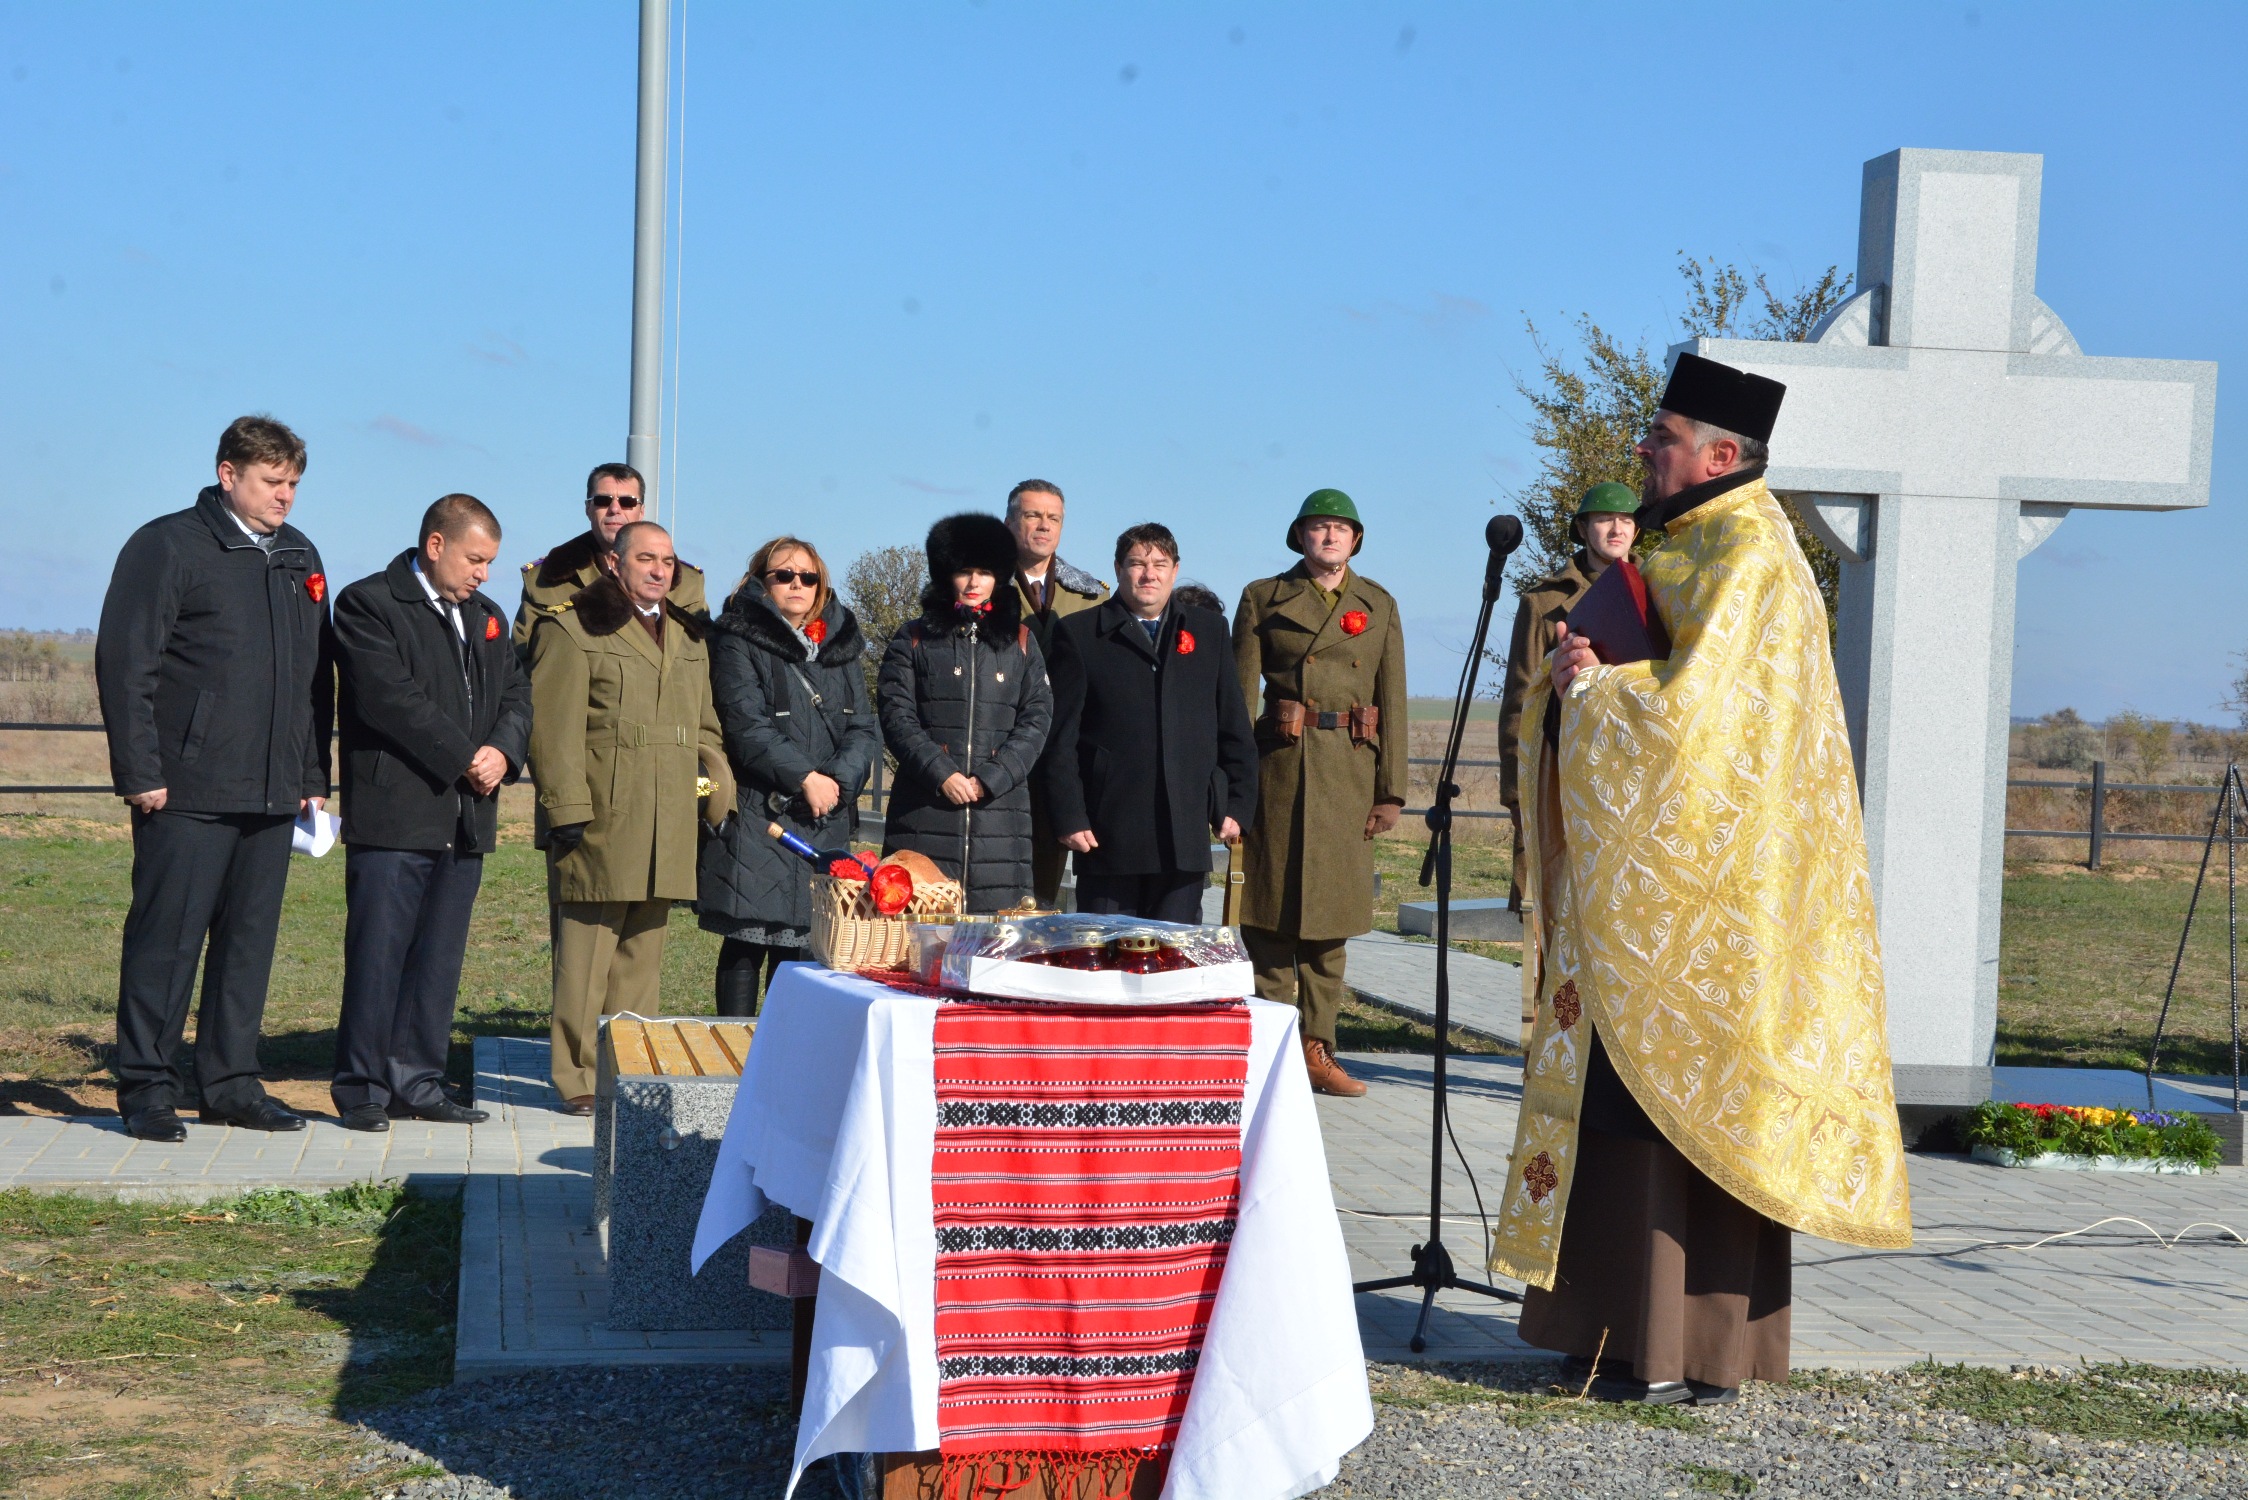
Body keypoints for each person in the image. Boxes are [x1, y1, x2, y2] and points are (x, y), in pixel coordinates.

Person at [1489, 353, 1912, 1406]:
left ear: (1720, 455)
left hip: (1718, 908)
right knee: (1621, 1105)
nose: (1644, 450)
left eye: (1663, 437)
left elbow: (1700, 733)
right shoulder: (1688, 545)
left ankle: (1689, 1348)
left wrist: (1594, 692)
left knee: (1687, 1108)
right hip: (1652, 895)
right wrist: (1577, 685)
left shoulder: (1750, 554)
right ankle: (1614, 1334)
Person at [95, 415, 332, 1141]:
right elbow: (125, 662)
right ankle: (147, 1088)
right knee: (166, 943)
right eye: (271, 481)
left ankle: (230, 1083)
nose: (284, 496)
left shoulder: (299, 555)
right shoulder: (167, 545)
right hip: (185, 790)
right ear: (228, 474)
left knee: (246, 945)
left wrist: (310, 772)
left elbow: (313, 679)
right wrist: (141, 771)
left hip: (271, 792)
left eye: (292, 483)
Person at [328, 494, 532, 1131]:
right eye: (475, 559)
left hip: (466, 818)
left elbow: (518, 694)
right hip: (395, 813)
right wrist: (466, 755)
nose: (483, 574)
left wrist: (503, 750)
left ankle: (417, 1081)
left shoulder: (489, 616)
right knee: (379, 955)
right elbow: (392, 699)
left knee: (438, 959)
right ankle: (362, 1088)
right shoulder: (369, 605)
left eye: (490, 562)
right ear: (436, 545)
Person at [528, 521, 733, 1113]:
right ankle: (577, 1077)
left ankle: (629, 1069)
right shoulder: (571, 628)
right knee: (586, 956)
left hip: (667, 813)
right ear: (614, 564)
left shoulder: (689, 636)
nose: (659, 570)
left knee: (642, 957)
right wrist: (565, 807)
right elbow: (553, 728)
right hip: (601, 812)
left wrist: (716, 788)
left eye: (667, 561)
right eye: (645, 558)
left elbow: (706, 727)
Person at [1231, 490, 1407, 1098]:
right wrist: (1231, 787)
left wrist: (1392, 791)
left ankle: (1318, 1048)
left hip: (1349, 775)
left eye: (1340, 529)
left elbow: (1395, 701)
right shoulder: (1262, 597)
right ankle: (1273, 1048)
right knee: (1271, 917)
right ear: (1298, 537)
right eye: (1317, 528)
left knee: (1331, 926)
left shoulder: (1377, 604)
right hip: (1277, 771)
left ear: (1356, 539)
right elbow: (1234, 701)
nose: (1329, 538)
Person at [697, 537, 879, 1015]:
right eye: (784, 575)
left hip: (825, 813)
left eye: (808, 576)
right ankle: (734, 1057)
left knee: (804, 943)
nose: (797, 584)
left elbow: (863, 726)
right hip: (762, 812)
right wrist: (805, 778)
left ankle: (784, 1055)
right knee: (746, 938)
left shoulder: (841, 646)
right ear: (761, 580)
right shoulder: (737, 640)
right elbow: (744, 725)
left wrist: (835, 781)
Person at [1043, 524, 1257, 922]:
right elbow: (1060, 739)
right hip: (1108, 834)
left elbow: (1234, 728)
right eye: (1137, 563)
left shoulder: (1209, 631)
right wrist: (1070, 815)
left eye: (1159, 564)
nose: (1149, 574)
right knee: (1103, 960)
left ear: (1175, 571)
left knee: (1173, 962)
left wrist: (1238, 806)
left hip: (1185, 830)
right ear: (1119, 569)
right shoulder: (1079, 634)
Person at [878, 513, 1053, 913]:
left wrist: (991, 778)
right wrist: (943, 774)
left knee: (992, 950)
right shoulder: (913, 638)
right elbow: (896, 714)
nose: (974, 583)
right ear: (946, 574)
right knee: (914, 947)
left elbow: (1037, 719)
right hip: (924, 813)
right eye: (964, 571)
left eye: (985, 572)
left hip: (1000, 822)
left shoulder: (1022, 643)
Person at [1497, 483, 1639, 910]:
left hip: (1635, 767)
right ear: (1582, 527)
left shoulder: (1662, 591)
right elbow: (1519, 700)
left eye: (1628, 520)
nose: (1617, 529)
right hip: (1560, 766)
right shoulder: (1543, 603)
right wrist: (1517, 792)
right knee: (1551, 911)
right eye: (1604, 519)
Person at [1004, 480, 1108, 907]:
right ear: (1010, 521)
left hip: (1062, 759)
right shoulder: (980, 587)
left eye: (1053, 518)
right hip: (1000, 752)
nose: (1043, 526)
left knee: (1042, 895)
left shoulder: (1089, 597)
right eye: (1032, 515)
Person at [511, 462, 708, 652]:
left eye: (627, 502)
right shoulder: (545, 580)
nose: (615, 509)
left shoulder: (687, 584)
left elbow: (707, 656)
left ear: (641, 512)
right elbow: (523, 655)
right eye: (603, 501)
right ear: (588, 508)